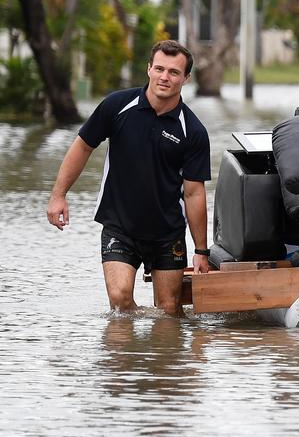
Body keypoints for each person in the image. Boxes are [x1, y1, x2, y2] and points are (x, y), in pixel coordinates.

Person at [46, 40, 211, 316]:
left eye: (173, 72)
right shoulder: (117, 105)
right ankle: (130, 354)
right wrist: (58, 195)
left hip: (167, 233)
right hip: (119, 226)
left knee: (169, 312)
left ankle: (156, 355)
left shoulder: (193, 131)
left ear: (186, 78)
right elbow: (83, 146)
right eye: (159, 69)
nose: (164, 77)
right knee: (120, 301)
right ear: (148, 69)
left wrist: (201, 251)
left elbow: (194, 193)